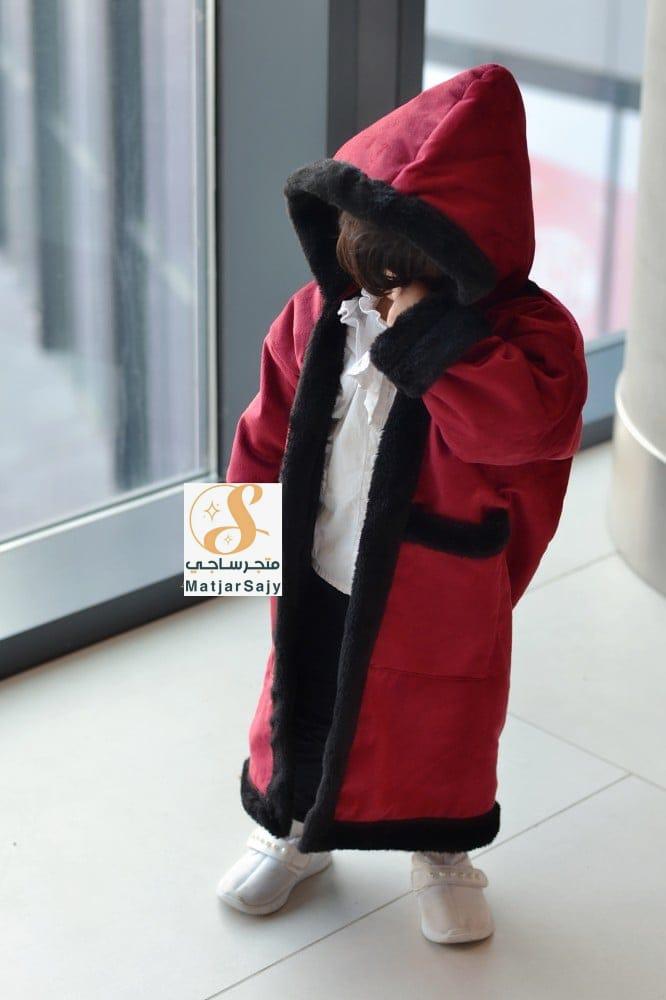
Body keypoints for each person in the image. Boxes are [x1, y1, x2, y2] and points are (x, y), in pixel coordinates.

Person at [217, 63, 588, 944]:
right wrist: (233, 554)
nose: (378, 296)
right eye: (366, 268)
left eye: (399, 277)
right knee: (300, 697)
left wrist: (430, 338)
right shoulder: (317, 315)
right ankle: (292, 826)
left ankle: (443, 852)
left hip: (441, 579)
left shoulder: (526, 339)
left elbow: (523, 434)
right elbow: (263, 430)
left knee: (441, 725)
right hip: (319, 560)